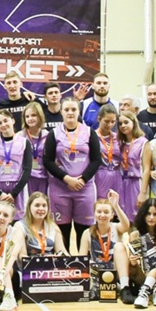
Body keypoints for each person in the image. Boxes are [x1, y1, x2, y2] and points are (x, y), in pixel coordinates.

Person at [43, 96, 102, 248]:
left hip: (85, 188)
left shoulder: (89, 132)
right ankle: (64, 259)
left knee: (84, 229)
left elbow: (96, 160)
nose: (70, 112)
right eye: (67, 109)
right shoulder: (54, 134)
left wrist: (83, 179)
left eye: (73, 109)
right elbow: (48, 161)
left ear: (79, 111)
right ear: (61, 112)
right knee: (62, 230)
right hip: (60, 188)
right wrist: (66, 179)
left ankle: (85, 259)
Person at [0, 110, 31, 220]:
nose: (3, 124)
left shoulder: (24, 142)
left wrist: (14, 193)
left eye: (5, 120)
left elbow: (27, 169)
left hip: (17, 188)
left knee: (18, 223)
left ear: (13, 120)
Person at [117, 112, 147, 214]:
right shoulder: (119, 142)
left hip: (136, 182)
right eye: (120, 123)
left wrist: (143, 193)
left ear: (134, 123)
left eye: (126, 122)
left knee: (136, 216)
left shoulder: (143, 142)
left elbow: (147, 169)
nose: (123, 125)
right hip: (121, 182)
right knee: (122, 216)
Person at [21, 102, 48, 202]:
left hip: (44, 177)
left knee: (43, 203)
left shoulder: (48, 135)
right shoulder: (20, 136)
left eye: (33, 115)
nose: (30, 119)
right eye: (27, 116)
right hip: (28, 178)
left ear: (40, 116)